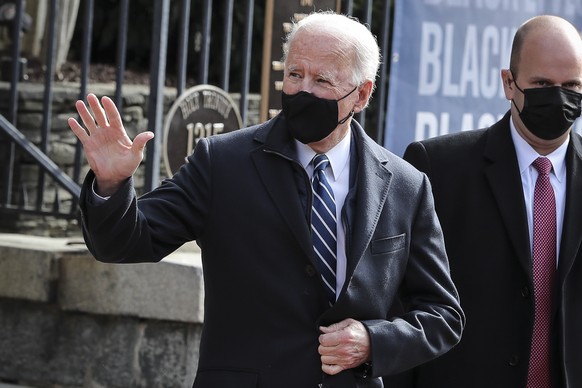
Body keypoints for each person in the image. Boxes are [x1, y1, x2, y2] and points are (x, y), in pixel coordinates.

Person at [68, 11, 464, 388]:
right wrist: (111, 186)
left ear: (362, 94)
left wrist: (373, 340)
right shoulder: (222, 162)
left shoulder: (405, 185)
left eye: (322, 81)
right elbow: (125, 241)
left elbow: (442, 315)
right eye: (295, 74)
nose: (303, 90)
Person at [386, 14, 582, 388]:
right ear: (509, 83)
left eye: (571, 85)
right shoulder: (438, 168)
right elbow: (403, 305)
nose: (558, 97)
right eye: (541, 84)